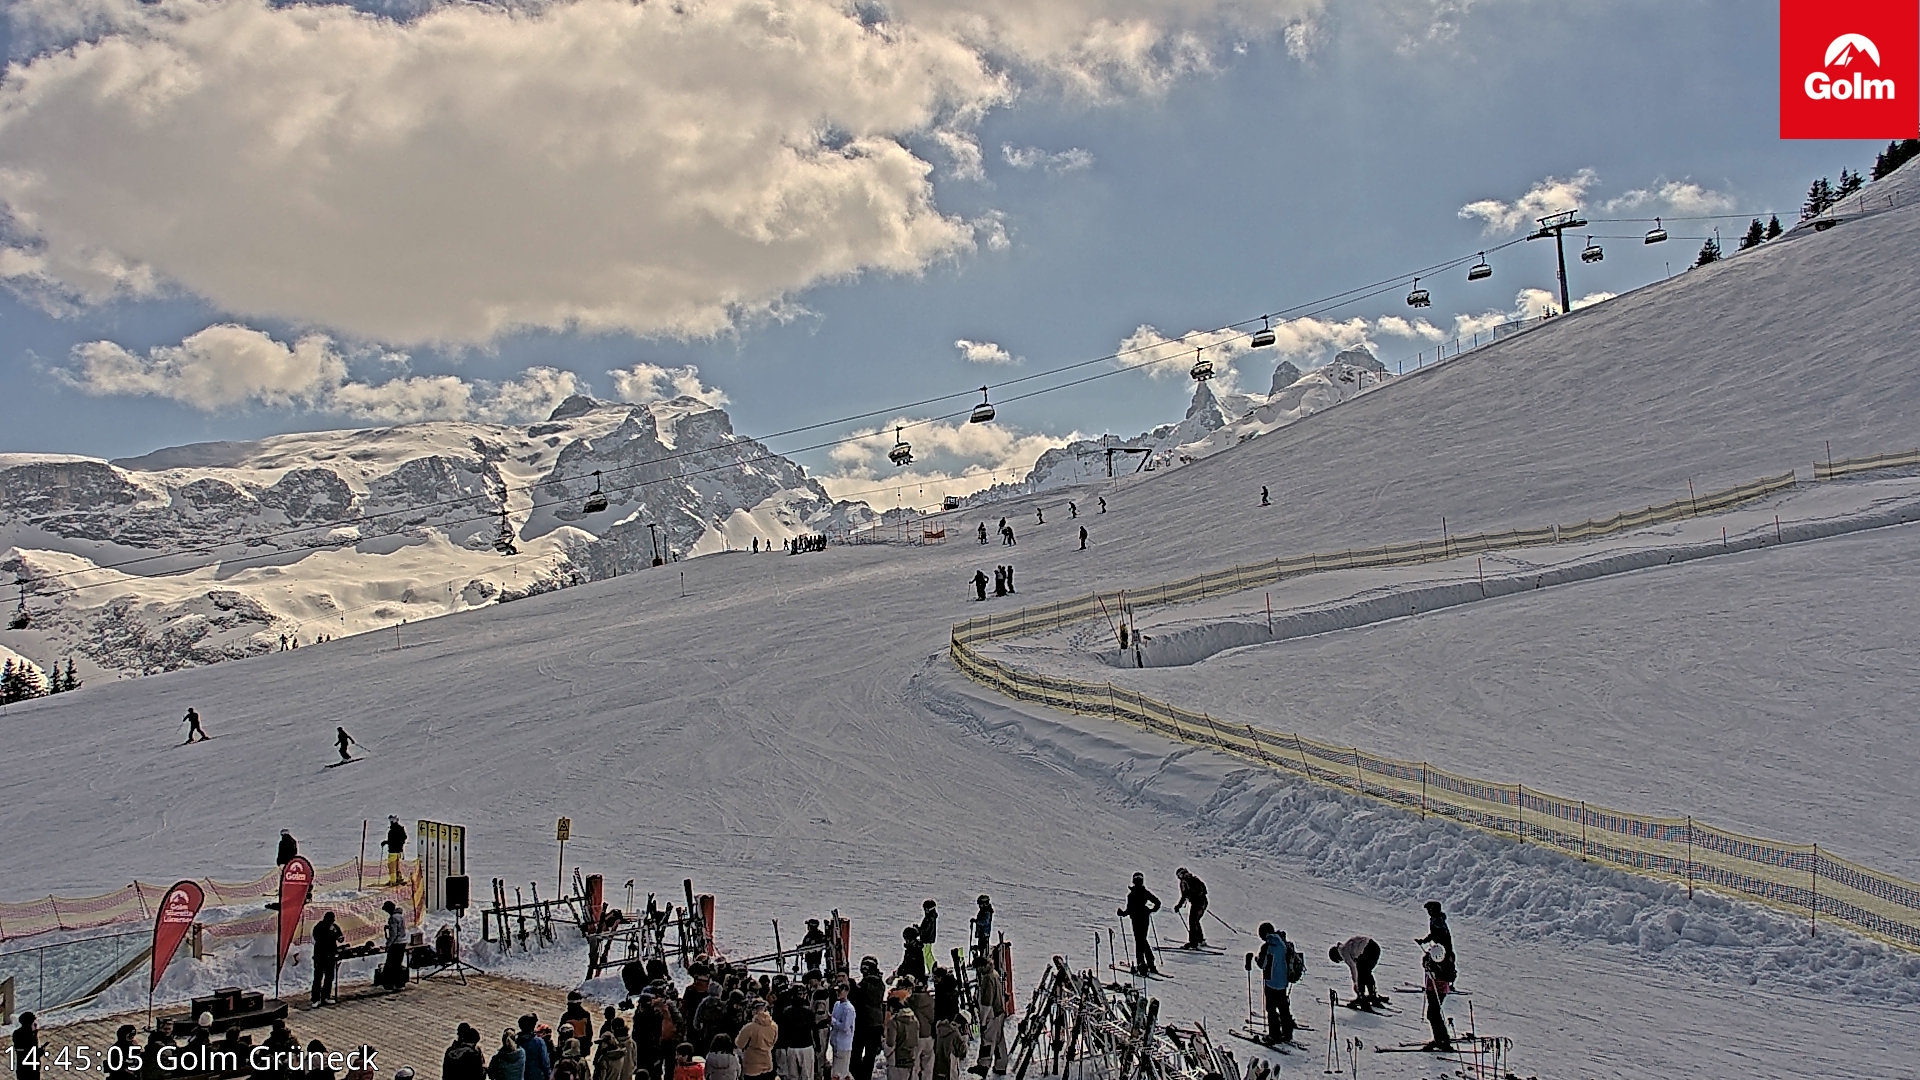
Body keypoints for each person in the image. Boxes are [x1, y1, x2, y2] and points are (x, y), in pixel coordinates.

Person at [1254, 924, 1295, 1047]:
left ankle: (1274, 1035)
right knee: (1283, 1008)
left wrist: (1256, 960)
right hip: (1282, 981)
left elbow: (1263, 964)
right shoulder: (1283, 943)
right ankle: (1287, 1033)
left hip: (1271, 982)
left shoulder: (1268, 946)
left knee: (1271, 1009)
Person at [1116, 873, 1160, 975]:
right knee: (1142, 940)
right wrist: (1150, 910)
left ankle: (1142, 964)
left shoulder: (1131, 895)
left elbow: (1129, 909)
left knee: (1139, 941)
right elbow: (1157, 902)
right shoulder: (1144, 892)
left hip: (1136, 919)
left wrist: (1122, 913)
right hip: (1144, 918)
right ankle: (1150, 963)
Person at [850, 959, 887, 1080]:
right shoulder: (880, 983)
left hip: (864, 1024)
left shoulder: (867, 985)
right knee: (869, 1056)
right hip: (876, 1024)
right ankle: (865, 1075)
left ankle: (860, 1076)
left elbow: (863, 998)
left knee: (857, 1054)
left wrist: (853, 986)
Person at [970, 957, 1006, 1077]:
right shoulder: (994, 973)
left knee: (988, 1041)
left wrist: (983, 1020)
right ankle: (1001, 1065)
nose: (978, 970)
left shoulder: (987, 978)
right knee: (999, 1040)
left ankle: (983, 1066)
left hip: (992, 1014)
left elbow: (987, 1002)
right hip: (999, 1011)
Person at [773, 984, 814, 1080]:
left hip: (791, 1047)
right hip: (806, 1046)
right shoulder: (808, 1011)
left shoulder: (786, 1012)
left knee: (793, 1076)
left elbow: (783, 1031)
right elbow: (813, 1029)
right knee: (807, 1076)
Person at [1329, 936, 1383, 1009]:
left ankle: (1362, 998)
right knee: (1366, 972)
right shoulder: (1346, 946)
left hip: (1367, 949)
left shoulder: (1344, 952)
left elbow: (1353, 968)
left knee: (1361, 973)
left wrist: (1355, 983)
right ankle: (1372, 995)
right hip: (1375, 947)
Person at [1420, 945, 1454, 1052]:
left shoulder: (1448, 962)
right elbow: (1424, 960)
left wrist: (1437, 975)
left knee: (1433, 1014)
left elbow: (1451, 977)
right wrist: (1426, 966)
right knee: (1433, 1014)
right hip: (1431, 988)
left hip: (1441, 989)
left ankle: (1442, 1040)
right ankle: (1440, 1039)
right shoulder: (1429, 956)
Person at [312, 911, 345, 1004]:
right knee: (318, 977)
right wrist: (330, 933)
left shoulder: (334, 927)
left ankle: (326, 996)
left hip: (331, 955)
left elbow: (340, 936)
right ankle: (315, 999)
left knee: (329, 977)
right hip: (320, 955)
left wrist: (340, 938)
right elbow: (319, 938)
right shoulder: (319, 927)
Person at [736, 1006, 777, 1080]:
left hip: (752, 1064)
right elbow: (774, 1041)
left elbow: (739, 1044)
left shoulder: (749, 1027)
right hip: (767, 1061)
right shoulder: (774, 1026)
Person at [1171, 869, 1207, 949]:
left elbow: (1184, 895)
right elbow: (1204, 890)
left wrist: (1178, 906)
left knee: (1192, 921)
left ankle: (1193, 943)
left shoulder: (1185, 882)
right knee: (1195, 920)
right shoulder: (1194, 879)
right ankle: (1200, 940)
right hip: (1203, 901)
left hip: (1197, 903)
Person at [882, 998, 917, 1080]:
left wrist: (883, 1044)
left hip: (896, 1060)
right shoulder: (914, 1020)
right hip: (910, 1057)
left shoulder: (893, 1022)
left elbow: (890, 1043)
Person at [828, 984, 856, 1080]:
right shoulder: (836, 1004)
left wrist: (832, 1021)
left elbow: (845, 1027)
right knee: (837, 1070)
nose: (838, 993)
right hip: (835, 1042)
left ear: (846, 992)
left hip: (843, 1044)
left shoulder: (849, 1009)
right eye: (837, 991)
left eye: (840, 991)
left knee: (839, 1073)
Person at [381, 900, 408, 990]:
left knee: (391, 965)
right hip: (403, 942)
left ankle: (389, 985)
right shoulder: (400, 916)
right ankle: (400, 984)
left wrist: (388, 944)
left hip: (396, 944)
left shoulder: (392, 918)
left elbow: (393, 934)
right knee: (398, 964)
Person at [12, 1012, 40, 1080]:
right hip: (31, 1070)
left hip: (22, 1069)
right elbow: (30, 1052)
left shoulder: (17, 1033)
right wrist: (39, 1052)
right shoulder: (30, 1035)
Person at [385, 817, 410, 885]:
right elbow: (403, 838)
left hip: (393, 851)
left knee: (392, 866)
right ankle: (398, 878)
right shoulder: (400, 829)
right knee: (397, 865)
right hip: (399, 850)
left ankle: (393, 881)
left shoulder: (393, 830)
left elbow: (392, 841)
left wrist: (387, 842)